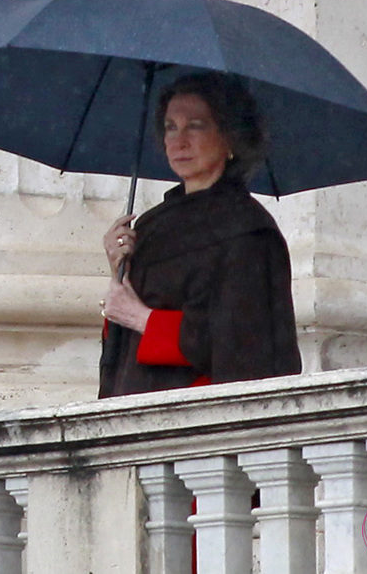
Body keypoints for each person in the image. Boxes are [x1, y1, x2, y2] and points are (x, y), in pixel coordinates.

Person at [98, 72, 302, 398]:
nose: (179, 141)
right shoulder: (150, 227)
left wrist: (144, 319)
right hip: (134, 413)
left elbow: (243, 348)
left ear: (231, 138)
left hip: (195, 420)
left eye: (196, 125)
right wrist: (119, 271)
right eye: (170, 127)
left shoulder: (247, 231)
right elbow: (122, 344)